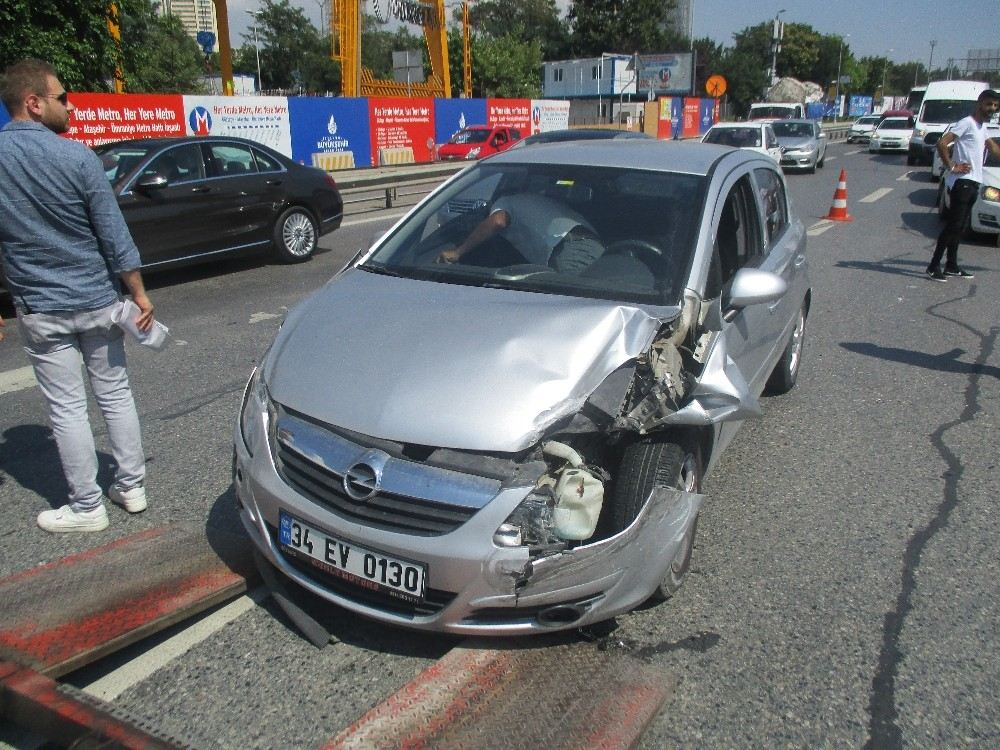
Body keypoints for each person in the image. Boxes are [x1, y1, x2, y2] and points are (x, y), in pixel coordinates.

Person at [0, 59, 155, 533]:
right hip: (98, 301)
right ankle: (131, 487)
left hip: (41, 308)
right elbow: (114, 235)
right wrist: (140, 295)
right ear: (33, 103)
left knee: (65, 409)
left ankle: (87, 506)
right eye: (61, 97)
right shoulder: (78, 157)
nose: (70, 104)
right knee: (115, 395)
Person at [926, 88, 1000, 282]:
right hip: (962, 182)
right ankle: (934, 266)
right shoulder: (966, 123)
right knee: (953, 226)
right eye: (988, 104)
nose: (991, 108)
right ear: (979, 103)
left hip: (974, 181)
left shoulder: (981, 127)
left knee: (959, 228)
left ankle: (951, 265)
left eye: (995, 106)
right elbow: (942, 143)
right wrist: (951, 166)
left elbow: (992, 147)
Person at [436, 192, 605, 274]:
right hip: (592, 246)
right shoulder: (533, 201)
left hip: (571, 250)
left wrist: (458, 252)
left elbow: (498, 221)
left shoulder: (506, 202)